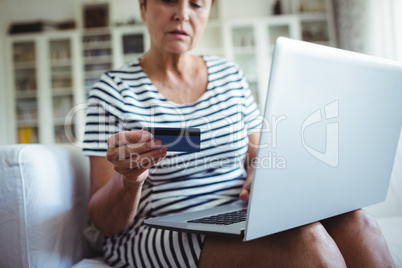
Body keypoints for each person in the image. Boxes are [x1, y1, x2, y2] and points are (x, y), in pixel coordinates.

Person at [82, 0, 396, 267]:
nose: (182, 13)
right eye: (168, 0)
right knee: (306, 239)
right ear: (142, 6)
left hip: (236, 214)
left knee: (359, 222)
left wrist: (258, 175)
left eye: (196, 4)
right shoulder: (111, 90)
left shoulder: (229, 75)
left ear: (208, 11)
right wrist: (129, 179)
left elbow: (258, 155)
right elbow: (105, 223)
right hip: (157, 228)